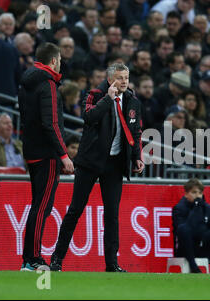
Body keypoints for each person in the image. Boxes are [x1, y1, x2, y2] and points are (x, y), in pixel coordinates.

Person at [50, 63, 144, 272]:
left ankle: (111, 264)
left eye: (126, 77)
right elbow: (89, 118)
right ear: (110, 80)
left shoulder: (132, 101)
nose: (124, 82)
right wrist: (107, 99)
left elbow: (136, 131)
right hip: (91, 161)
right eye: (120, 78)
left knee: (112, 214)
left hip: (115, 163)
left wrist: (137, 157)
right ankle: (57, 259)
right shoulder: (95, 95)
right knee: (75, 209)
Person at [18, 42, 74, 271]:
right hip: (47, 154)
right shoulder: (48, 83)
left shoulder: (26, 83)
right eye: (59, 59)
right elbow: (51, 123)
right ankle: (32, 259)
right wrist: (63, 155)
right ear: (53, 61)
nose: (60, 63)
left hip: (31, 151)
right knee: (42, 207)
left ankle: (28, 258)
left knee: (37, 205)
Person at [172, 178, 210, 273]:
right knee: (183, 229)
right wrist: (196, 209)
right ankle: (194, 268)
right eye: (194, 192)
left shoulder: (207, 208)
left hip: (204, 246)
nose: (198, 196)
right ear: (186, 194)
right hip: (187, 248)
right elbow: (181, 230)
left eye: (200, 193)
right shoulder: (179, 208)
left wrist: (206, 235)